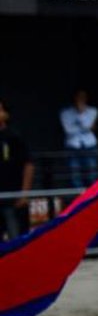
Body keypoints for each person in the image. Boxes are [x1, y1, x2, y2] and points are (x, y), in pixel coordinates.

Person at [0, 98, 34, 240]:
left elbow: (28, 164)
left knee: (16, 237)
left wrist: (24, 193)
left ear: (6, 114)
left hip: (12, 196)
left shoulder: (14, 136)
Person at [59, 88, 98, 188]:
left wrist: (81, 113)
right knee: (75, 175)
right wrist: (86, 128)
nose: (81, 100)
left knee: (92, 174)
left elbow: (89, 126)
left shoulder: (93, 111)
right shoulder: (65, 113)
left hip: (90, 145)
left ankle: (93, 195)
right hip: (73, 145)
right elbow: (68, 130)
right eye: (79, 97)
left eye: (83, 97)